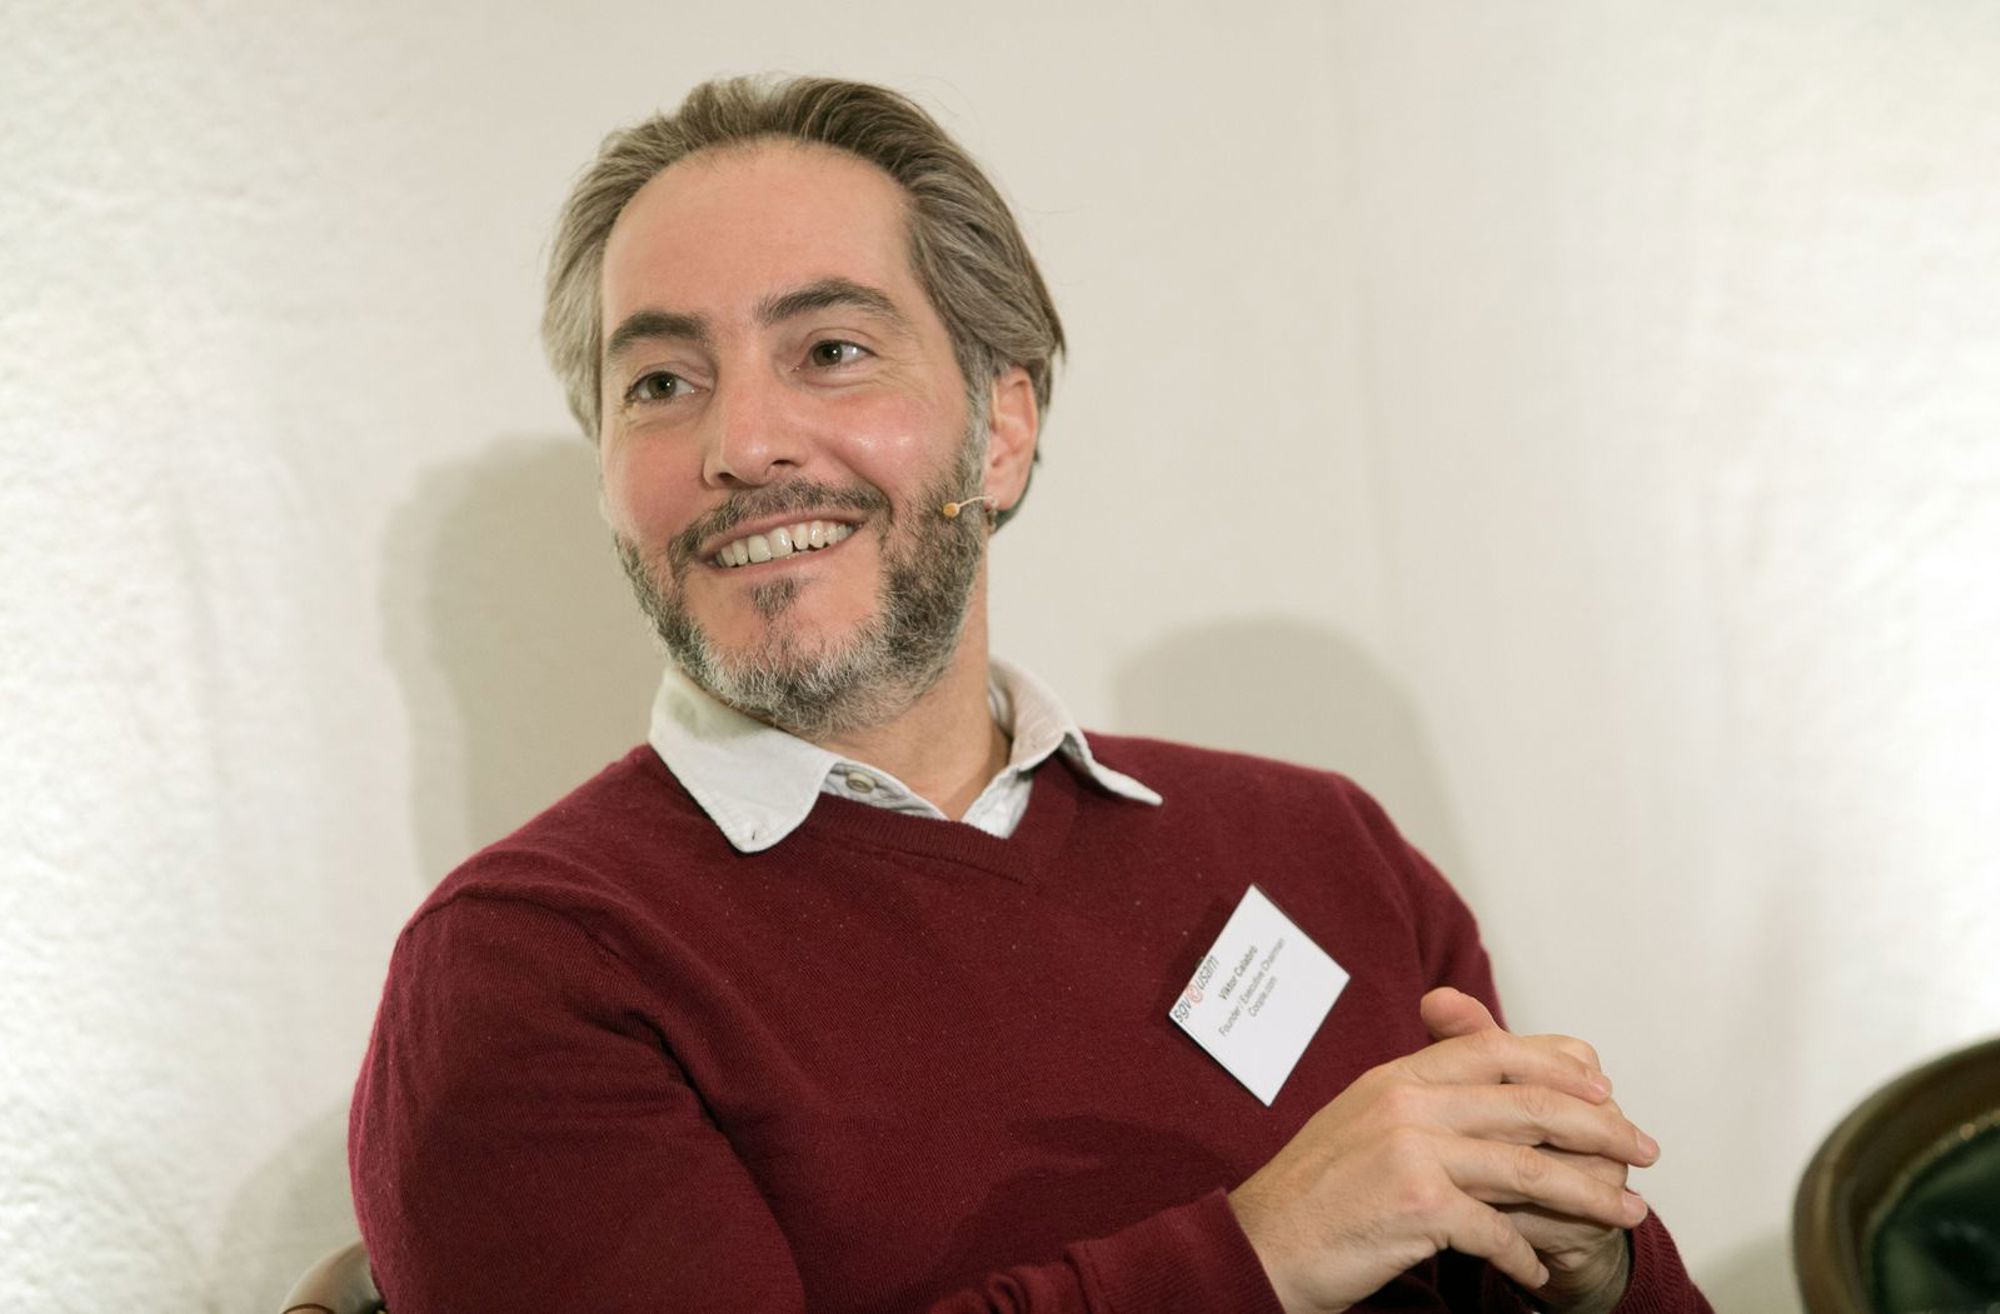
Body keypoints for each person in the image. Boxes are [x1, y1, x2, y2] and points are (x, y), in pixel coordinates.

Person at [349, 76, 1712, 1314]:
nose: (742, 442)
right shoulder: (533, 970)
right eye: (660, 381)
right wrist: (1266, 1249)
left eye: (831, 350)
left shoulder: (1321, 845)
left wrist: (1597, 1276)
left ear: (999, 429)